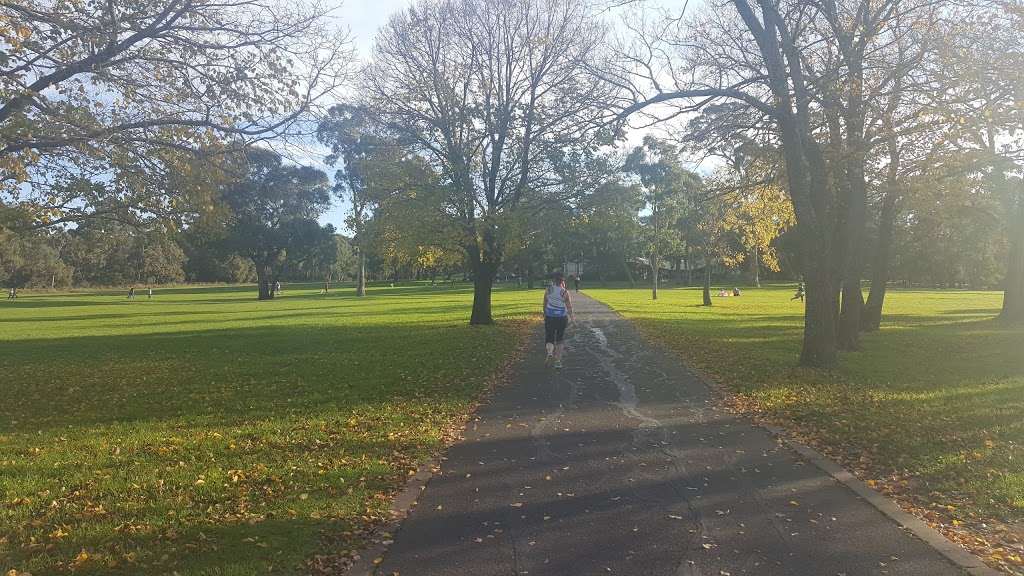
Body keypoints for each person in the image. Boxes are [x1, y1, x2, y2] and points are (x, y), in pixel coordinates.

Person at [543, 274, 573, 370]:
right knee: (559, 339)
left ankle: (550, 353)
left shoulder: (548, 290)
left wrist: (544, 313)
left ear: (554, 280)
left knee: (549, 337)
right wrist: (572, 316)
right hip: (561, 317)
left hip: (550, 316)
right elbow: (569, 307)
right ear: (562, 281)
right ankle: (558, 362)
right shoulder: (565, 292)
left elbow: (545, 303)